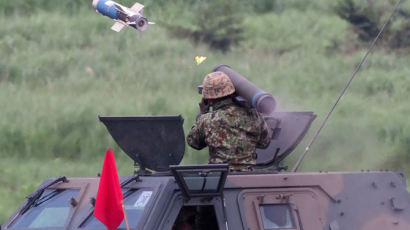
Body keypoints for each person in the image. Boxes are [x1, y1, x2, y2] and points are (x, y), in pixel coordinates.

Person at [186, 71, 271, 172]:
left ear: (208, 100)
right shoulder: (254, 115)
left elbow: (194, 143)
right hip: (248, 177)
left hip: (220, 179)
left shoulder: (207, 119)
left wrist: (202, 114)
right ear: (232, 93)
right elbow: (264, 143)